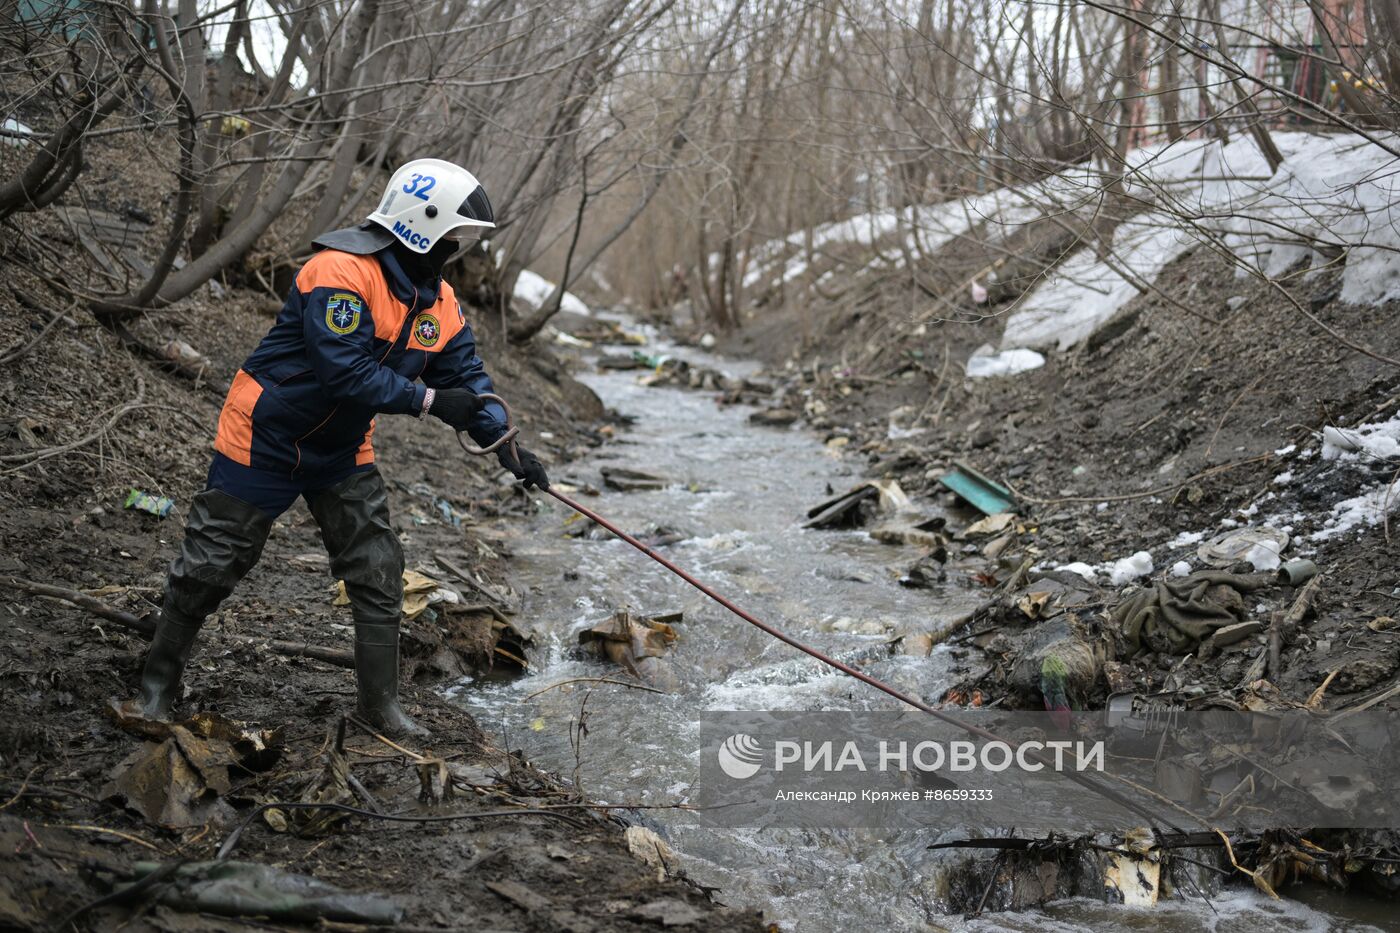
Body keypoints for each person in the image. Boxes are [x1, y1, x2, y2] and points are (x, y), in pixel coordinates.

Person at [127, 159, 549, 737]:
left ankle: (380, 707)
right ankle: (155, 690)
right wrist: (428, 400)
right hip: (265, 435)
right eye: (456, 235)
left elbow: (468, 377)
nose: (460, 248)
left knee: (378, 566)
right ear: (423, 225)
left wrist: (507, 446)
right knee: (212, 563)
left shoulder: (440, 301)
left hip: (342, 449)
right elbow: (343, 373)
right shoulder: (339, 271)